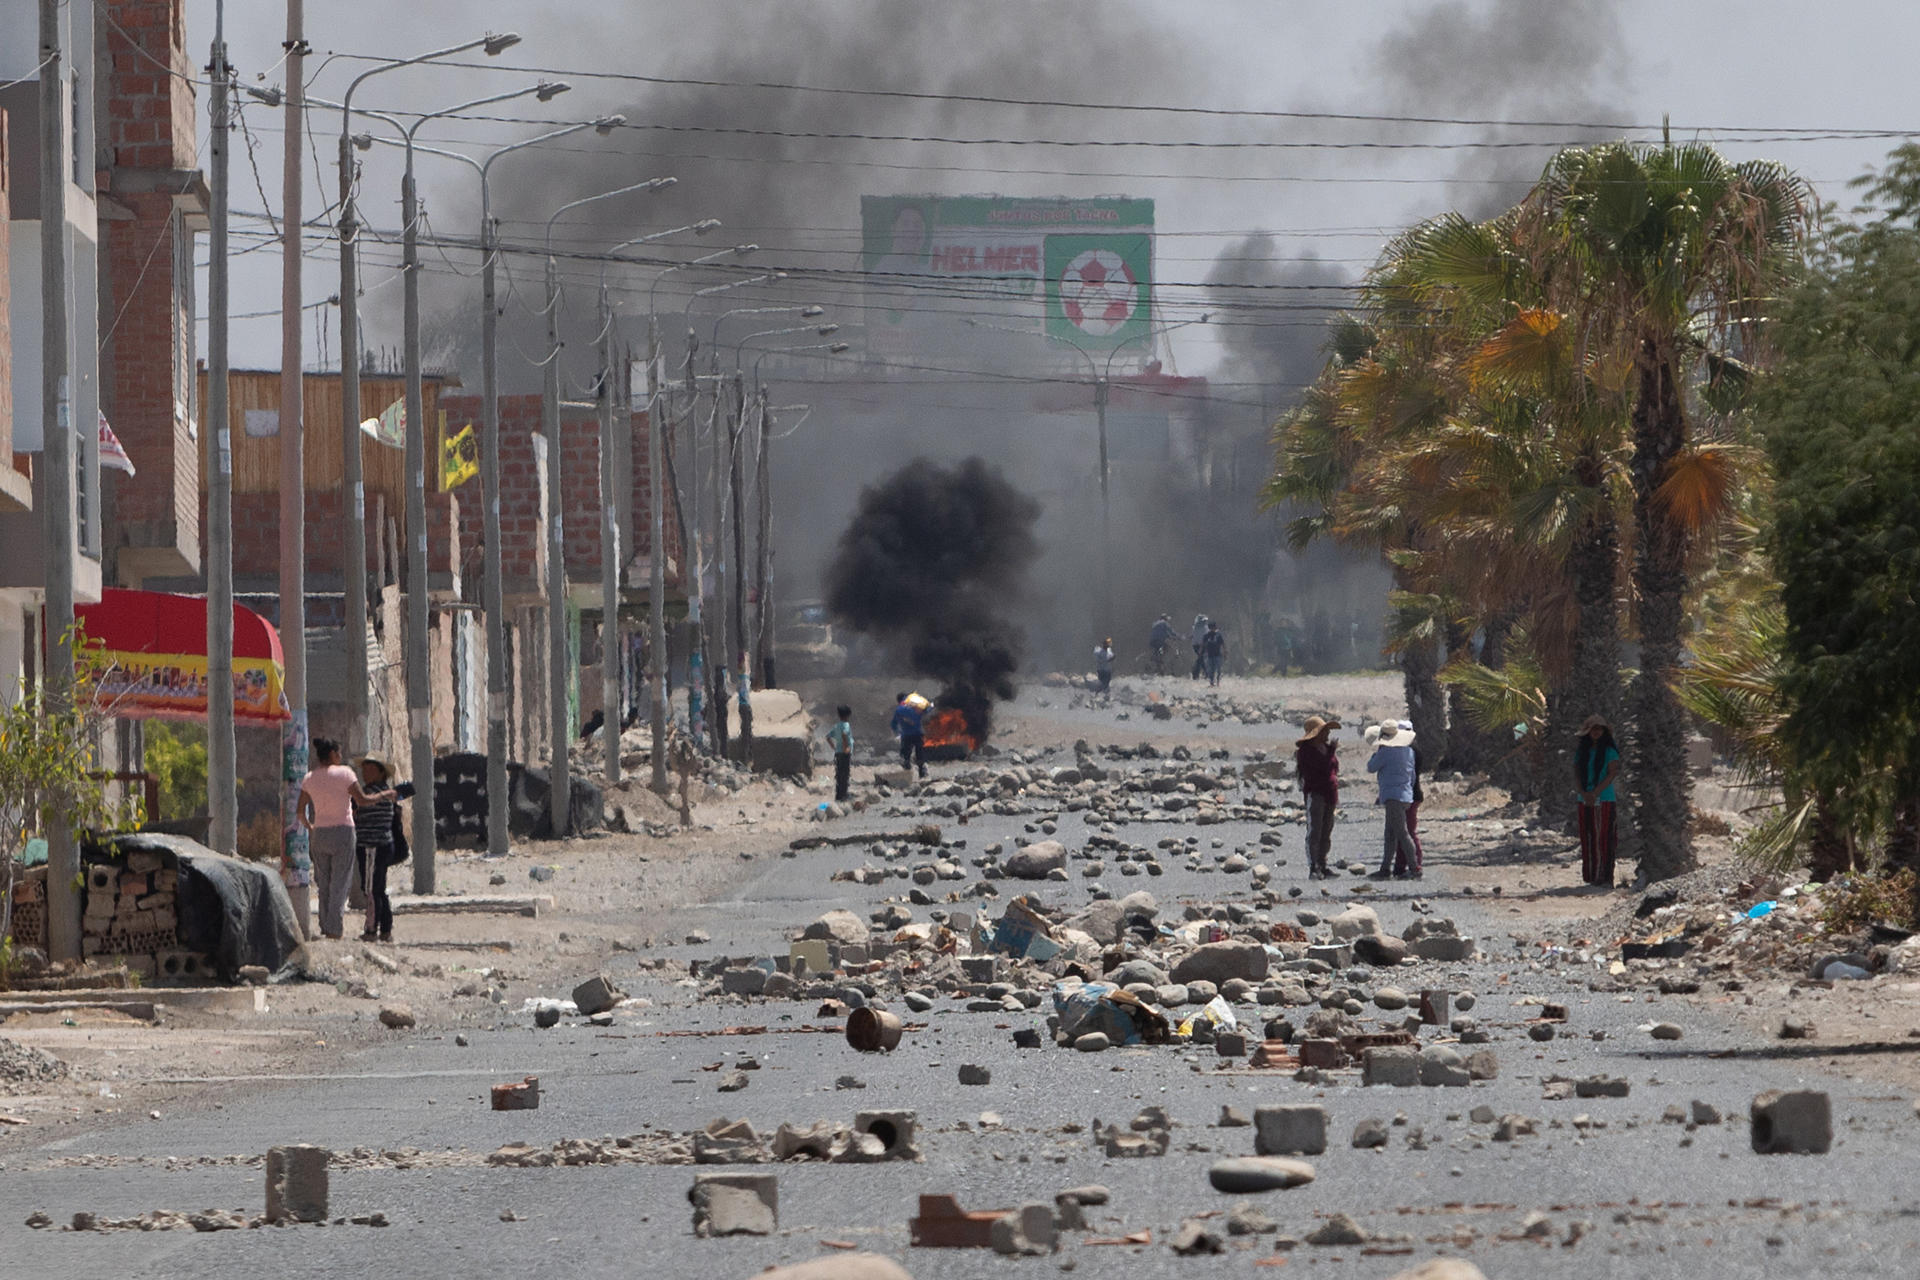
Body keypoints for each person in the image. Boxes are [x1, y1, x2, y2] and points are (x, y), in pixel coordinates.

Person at [298, 738, 375, 940]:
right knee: (340, 883)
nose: (340, 757)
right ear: (332, 754)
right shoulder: (345, 774)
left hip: (320, 833)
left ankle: (325, 924)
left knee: (323, 882)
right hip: (343, 831)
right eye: (339, 753)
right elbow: (362, 800)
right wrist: (383, 795)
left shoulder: (309, 778)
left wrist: (310, 827)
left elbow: (300, 811)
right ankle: (334, 927)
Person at [352, 755, 410, 944]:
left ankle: (371, 930)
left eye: (368, 769)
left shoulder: (373, 794)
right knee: (378, 889)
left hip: (373, 846)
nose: (364, 773)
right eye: (363, 769)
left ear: (379, 772)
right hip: (379, 846)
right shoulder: (385, 793)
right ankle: (385, 929)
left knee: (371, 890)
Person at [1365, 720, 1420, 880]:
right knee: (1390, 833)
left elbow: (1371, 767)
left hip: (1393, 796)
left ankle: (1414, 867)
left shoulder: (1385, 753)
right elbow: (1412, 776)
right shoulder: (1408, 751)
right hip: (1405, 795)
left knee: (1402, 833)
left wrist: (1377, 753)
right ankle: (1385, 868)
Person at [1575, 715, 1622, 886]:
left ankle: (1606, 876)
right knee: (1588, 837)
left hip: (1604, 799)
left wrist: (1595, 792)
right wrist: (1583, 792)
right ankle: (1592, 876)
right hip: (1584, 799)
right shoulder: (1582, 752)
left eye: (1599, 729)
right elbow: (1577, 773)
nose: (1596, 732)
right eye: (1593, 729)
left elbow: (1611, 774)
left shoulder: (1610, 752)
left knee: (1605, 837)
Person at [1295, 715, 1341, 879]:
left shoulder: (1326, 748)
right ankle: (1313, 866)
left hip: (1330, 793)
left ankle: (1323, 863)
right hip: (1316, 794)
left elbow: (1333, 767)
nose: (1328, 734)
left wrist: (1331, 753)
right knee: (1315, 830)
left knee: (1326, 830)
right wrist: (1332, 753)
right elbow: (1321, 768)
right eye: (1325, 731)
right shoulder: (1306, 752)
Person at [1394, 719, 1424, 879]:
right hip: (1408, 794)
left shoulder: (1411, 752)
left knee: (1408, 831)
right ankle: (1400, 865)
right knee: (1402, 831)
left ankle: (1415, 863)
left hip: (1410, 795)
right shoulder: (1409, 750)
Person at [891, 692, 926, 778]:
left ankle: (907, 775)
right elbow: (926, 710)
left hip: (906, 735)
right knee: (919, 754)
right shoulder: (916, 707)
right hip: (918, 734)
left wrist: (898, 733)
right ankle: (921, 773)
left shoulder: (899, 709)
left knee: (906, 756)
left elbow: (893, 724)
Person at [827, 706, 854, 802]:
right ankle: (844, 795)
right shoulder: (846, 725)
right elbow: (844, 734)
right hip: (845, 753)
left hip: (838, 753)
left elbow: (828, 737)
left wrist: (833, 747)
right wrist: (846, 747)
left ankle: (838, 795)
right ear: (848, 715)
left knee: (839, 774)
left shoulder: (836, 726)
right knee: (845, 774)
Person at [1201, 620, 1226, 687]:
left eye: (1214, 627)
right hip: (1209, 655)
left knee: (1218, 670)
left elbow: (1223, 644)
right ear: (1209, 628)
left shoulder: (1218, 635)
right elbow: (1203, 645)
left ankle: (1218, 682)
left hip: (1217, 655)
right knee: (1211, 670)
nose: (1213, 629)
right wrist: (1201, 653)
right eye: (1211, 627)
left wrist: (1225, 652)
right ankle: (1211, 683)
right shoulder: (1206, 636)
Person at [1190, 614, 1209, 679]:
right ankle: (1203, 673)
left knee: (1201, 659)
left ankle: (1198, 673)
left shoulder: (1196, 628)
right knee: (1201, 659)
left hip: (1197, 645)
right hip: (1200, 645)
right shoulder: (1202, 628)